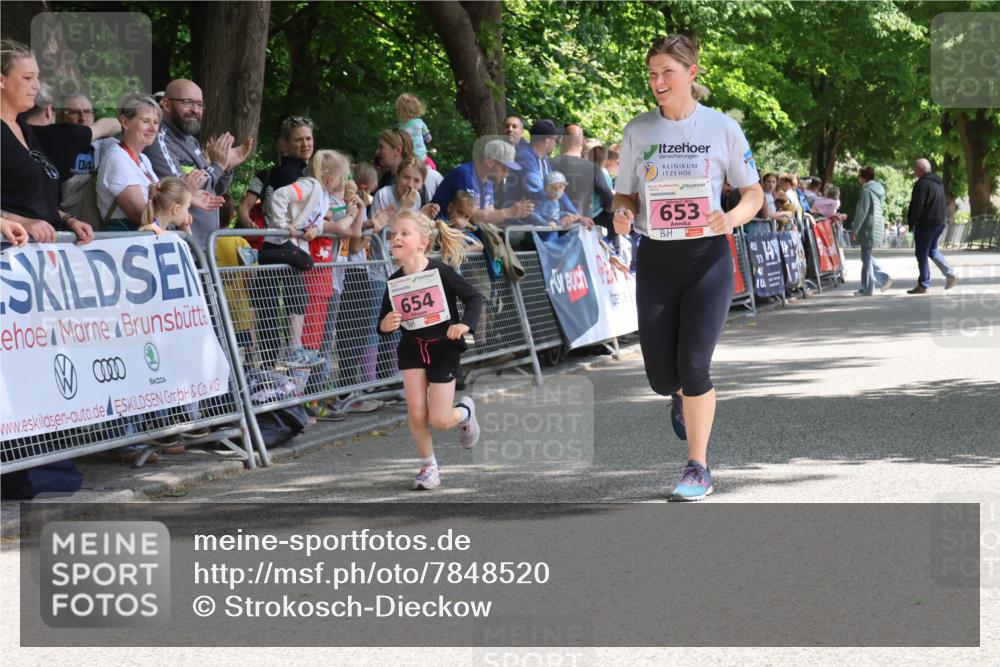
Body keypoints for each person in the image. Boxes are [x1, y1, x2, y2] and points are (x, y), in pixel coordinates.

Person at [611, 34, 763, 501]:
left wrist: (731, 216)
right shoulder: (638, 130)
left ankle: (698, 467)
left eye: (667, 73)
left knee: (695, 364)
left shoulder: (722, 129)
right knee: (662, 376)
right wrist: (620, 212)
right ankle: (678, 396)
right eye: (652, 73)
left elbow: (753, 193)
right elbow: (624, 194)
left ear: (691, 73)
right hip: (657, 257)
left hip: (707, 259)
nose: (657, 81)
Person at [377, 211, 484, 490]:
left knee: (439, 419)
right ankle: (429, 466)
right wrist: (386, 325)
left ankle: (465, 412)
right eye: (393, 234)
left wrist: (464, 325)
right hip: (412, 349)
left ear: (422, 242)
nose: (396, 238)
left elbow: (474, 297)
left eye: (404, 233)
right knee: (415, 411)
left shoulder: (440, 272)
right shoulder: (394, 281)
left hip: (443, 349)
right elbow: (384, 320)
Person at [265, 149, 357, 368]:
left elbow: (317, 220)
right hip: (278, 244)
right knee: (303, 276)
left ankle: (295, 348)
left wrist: (315, 229)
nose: (344, 182)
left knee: (299, 293)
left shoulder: (323, 196)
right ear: (330, 176)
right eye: (342, 177)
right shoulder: (310, 185)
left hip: (292, 245)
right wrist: (281, 225)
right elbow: (279, 196)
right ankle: (292, 348)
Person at [0, 39, 93, 244]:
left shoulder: (23, 129)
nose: (37, 85)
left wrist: (68, 219)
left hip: (40, 260)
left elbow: (35, 199)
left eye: (37, 77)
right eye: (27, 78)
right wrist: (21, 221)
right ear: (1, 80)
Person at [144, 78, 254, 248]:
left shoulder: (191, 141)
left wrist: (226, 167)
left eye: (199, 104)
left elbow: (212, 192)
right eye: (188, 103)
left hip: (204, 247)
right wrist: (218, 166)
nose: (195, 110)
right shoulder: (158, 140)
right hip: (180, 245)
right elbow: (178, 192)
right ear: (166, 105)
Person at [97, 92, 220, 230]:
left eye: (155, 122)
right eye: (145, 121)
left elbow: (157, 203)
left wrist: (188, 197)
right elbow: (143, 217)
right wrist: (179, 211)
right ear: (125, 122)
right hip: (124, 245)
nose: (153, 128)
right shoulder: (118, 159)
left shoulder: (144, 160)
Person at [238, 115, 314, 231]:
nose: (305, 144)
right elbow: (245, 204)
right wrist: (248, 222)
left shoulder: (266, 173)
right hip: (287, 240)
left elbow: (244, 205)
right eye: (298, 140)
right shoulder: (298, 175)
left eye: (308, 138)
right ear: (285, 143)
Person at [430, 139, 533, 224]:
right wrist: (510, 211)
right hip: (442, 231)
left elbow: (489, 214)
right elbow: (472, 216)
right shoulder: (465, 175)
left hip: (461, 232)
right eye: (505, 168)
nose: (507, 173)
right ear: (490, 162)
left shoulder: (488, 180)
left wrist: (515, 212)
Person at [906, 157, 957, 294]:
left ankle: (923, 284)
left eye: (915, 169)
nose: (915, 172)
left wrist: (913, 222)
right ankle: (950, 273)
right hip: (939, 221)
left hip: (926, 222)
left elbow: (918, 205)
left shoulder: (922, 184)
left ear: (920, 169)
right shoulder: (938, 183)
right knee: (932, 250)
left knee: (921, 253)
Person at [551, 130, 606, 229]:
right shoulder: (594, 170)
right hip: (578, 224)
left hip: (573, 223)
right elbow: (609, 202)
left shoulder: (548, 163)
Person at [851, 166, 892, 296]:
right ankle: (883, 278)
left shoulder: (866, 192)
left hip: (867, 228)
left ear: (864, 177)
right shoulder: (878, 190)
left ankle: (867, 288)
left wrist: (855, 229)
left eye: (859, 176)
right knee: (866, 256)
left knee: (866, 258)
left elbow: (861, 212)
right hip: (875, 226)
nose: (858, 178)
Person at [374, 128, 443, 197]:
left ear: (398, 150)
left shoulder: (430, 177)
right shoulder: (385, 179)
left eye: (381, 147)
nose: (376, 151)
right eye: (406, 178)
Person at [371, 156, 441, 219]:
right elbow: (375, 230)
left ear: (422, 184)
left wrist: (422, 216)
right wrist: (405, 207)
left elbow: (411, 229)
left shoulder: (416, 197)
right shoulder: (383, 195)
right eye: (406, 177)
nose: (410, 185)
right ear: (397, 177)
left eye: (416, 181)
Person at [395, 93, 433, 165]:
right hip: (422, 157)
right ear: (417, 108)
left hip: (407, 159)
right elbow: (428, 139)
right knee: (432, 167)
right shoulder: (420, 122)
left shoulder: (400, 127)